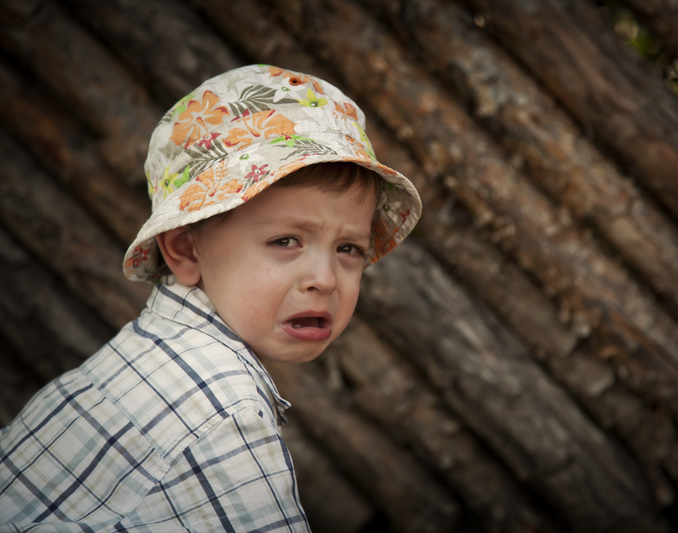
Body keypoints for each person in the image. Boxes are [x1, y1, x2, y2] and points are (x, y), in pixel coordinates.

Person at [0, 64, 421, 531]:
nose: (325, 279)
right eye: (285, 241)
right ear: (185, 249)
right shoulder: (226, 414)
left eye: (348, 249)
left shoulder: (134, 359)